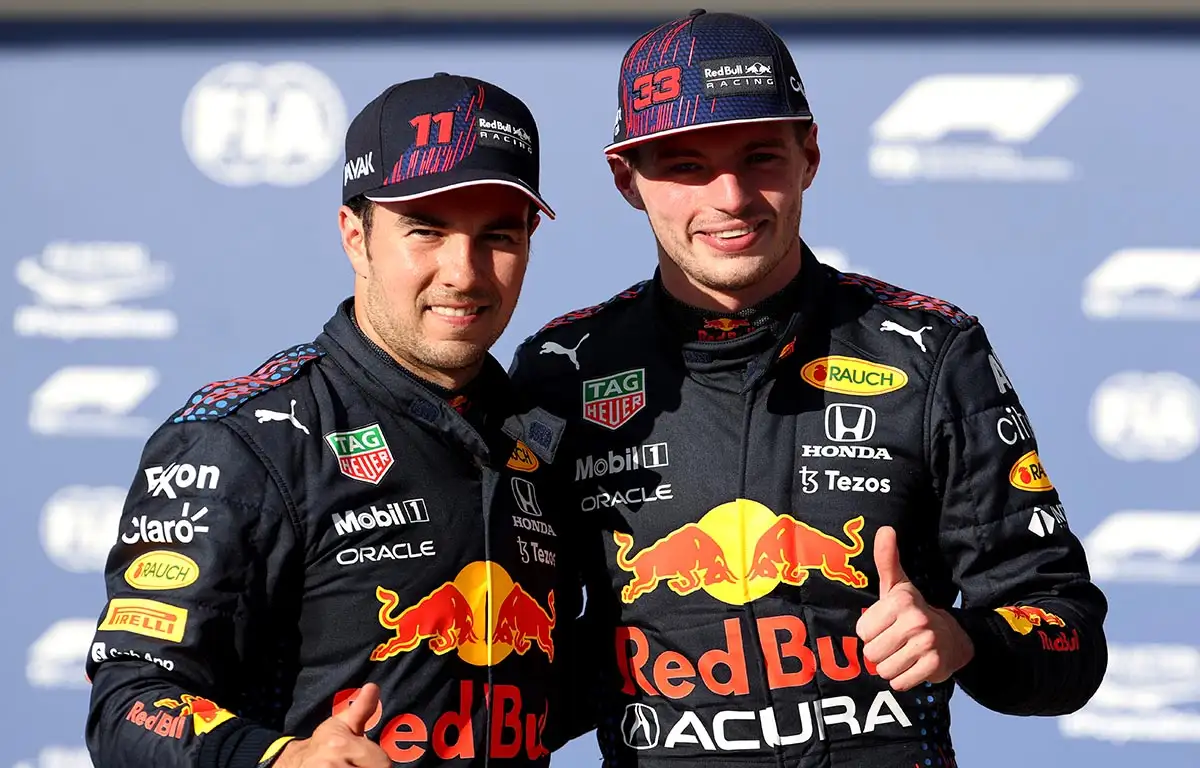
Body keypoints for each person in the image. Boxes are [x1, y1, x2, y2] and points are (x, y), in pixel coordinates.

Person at [509, 9, 1108, 767]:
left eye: (760, 156)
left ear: (810, 156)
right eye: (687, 166)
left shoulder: (931, 354)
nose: (730, 196)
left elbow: (1068, 637)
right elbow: (509, 652)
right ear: (627, 180)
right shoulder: (562, 372)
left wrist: (962, 638)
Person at [85, 72, 575, 768]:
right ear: (355, 235)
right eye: (425, 232)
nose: (463, 272)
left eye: (497, 235)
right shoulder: (244, 441)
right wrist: (279, 759)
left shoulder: (544, 429)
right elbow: (130, 699)